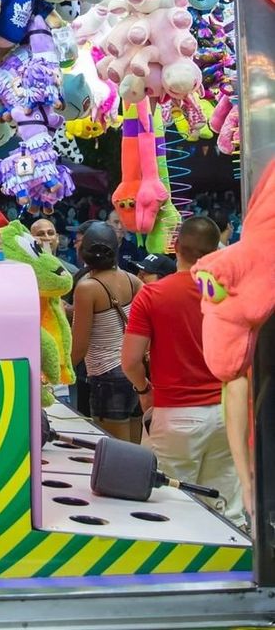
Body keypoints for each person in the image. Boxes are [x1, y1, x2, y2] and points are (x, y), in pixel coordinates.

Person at [122, 215, 244, 524]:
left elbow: (131, 360)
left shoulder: (152, 296)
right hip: (228, 410)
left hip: (176, 413)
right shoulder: (232, 293)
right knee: (226, 504)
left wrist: (144, 390)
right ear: (216, 249)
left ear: (176, 247)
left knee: (169, 505)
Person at [71, 222, 143, 442]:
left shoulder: (87, 287)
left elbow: (80, 345)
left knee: (116, 456)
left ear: (84, 253)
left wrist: (61, 374)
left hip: (107, 376)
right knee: (134, 451)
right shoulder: (134, 281)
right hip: (135, 371)